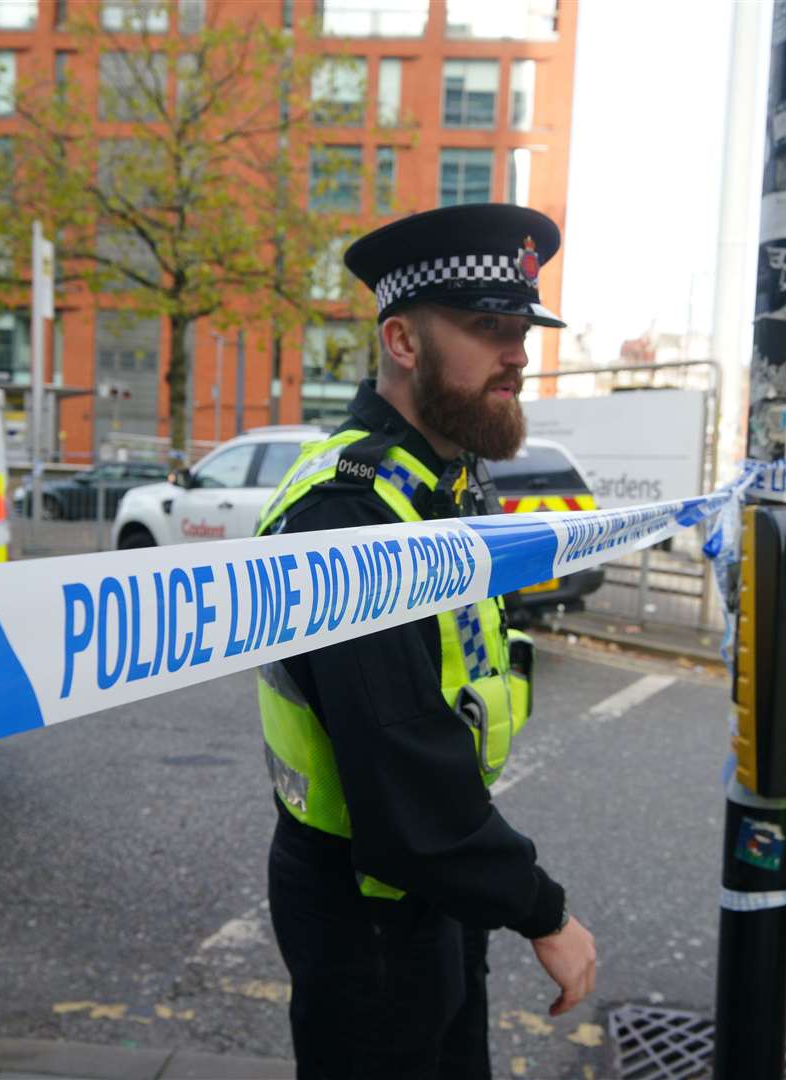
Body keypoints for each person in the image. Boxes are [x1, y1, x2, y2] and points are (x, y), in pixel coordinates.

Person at [254, 204, 596, 1079]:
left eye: (521, 328)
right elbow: (402, 769)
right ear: (402, 342)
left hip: (424, 892)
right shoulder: (351, 508)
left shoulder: (439, 478)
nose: (518, 352)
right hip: (369, 908)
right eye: (489, 327)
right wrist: (544, 913)